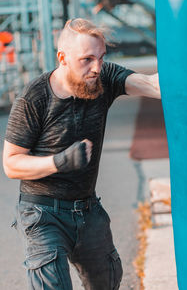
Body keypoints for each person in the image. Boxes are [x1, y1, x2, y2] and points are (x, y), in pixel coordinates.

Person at [3, 18, 160, 290]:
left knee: (108, 282)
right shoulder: (34, 98)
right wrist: (58, 162)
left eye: (101, 57)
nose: (96, 67)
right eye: (86, 59)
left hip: (87, 210)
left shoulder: (104, 77)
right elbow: (11, 164)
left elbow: (153, 85)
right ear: (62, 58)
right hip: (42, 213)